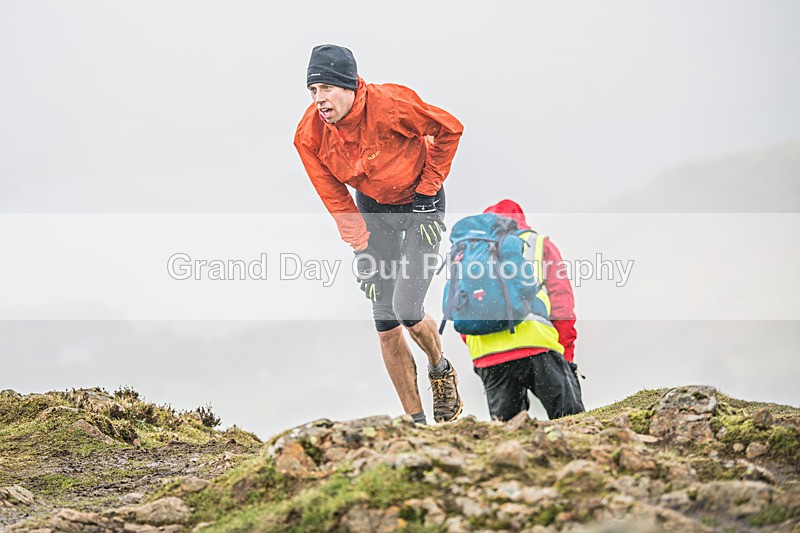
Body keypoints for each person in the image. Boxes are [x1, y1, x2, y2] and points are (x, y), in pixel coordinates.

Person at [294, 44, 464, 424]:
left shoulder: (390, 104)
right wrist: (361, 251)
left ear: (350, 84)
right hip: (374, 209)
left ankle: (440, 369)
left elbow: (449, 128)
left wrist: (428, 188)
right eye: (312, 90)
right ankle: (416, 424)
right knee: (385, 320)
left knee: (407, 309)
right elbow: (334, 196)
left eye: (326, 88)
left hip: (422, 205)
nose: (319, 99)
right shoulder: (308, 135)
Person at [461, 199, 585, 421]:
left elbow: (460, 306)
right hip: (539, 348)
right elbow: (562, 303)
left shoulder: (470, 251)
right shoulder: (537, 244)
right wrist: (566, 352)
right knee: (572, 423)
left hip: (489, 357)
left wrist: (480, 349)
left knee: (509, 435)